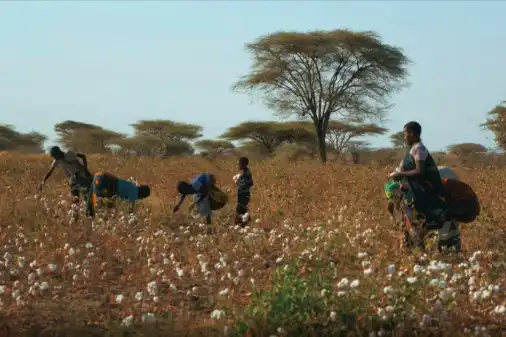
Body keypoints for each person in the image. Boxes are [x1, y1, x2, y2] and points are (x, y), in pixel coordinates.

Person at [388, 121, 460, 253]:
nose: (404, 137)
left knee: (424, 217)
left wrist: (400, 174)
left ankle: (422, 247)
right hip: (417, 189)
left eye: (405, 134)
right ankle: (418, 246)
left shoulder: (418, 149)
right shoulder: (412, 150)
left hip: (424, 191)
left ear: (412, 134)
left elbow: (420, 172)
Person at [85, 172, 151, 218]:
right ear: (142, 195)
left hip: (103, 176)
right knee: (97, 193)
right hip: (106, 180)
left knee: (94, 194)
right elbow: (131, 209)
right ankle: (89, 210)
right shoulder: (134, 193)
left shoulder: (133, 187)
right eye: (143, 197)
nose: (141, 199)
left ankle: (89, 212)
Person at [233, 157, 254, 226]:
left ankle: (240, 225)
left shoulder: (247, 173)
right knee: (243, 209)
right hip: (242, 194)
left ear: (243, 164)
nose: (238, 166)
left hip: (244, 194)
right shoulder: (244, 172)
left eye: (239, 164)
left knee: (240, 209)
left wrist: (237, 181)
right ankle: (245, 225)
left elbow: (250, 183)